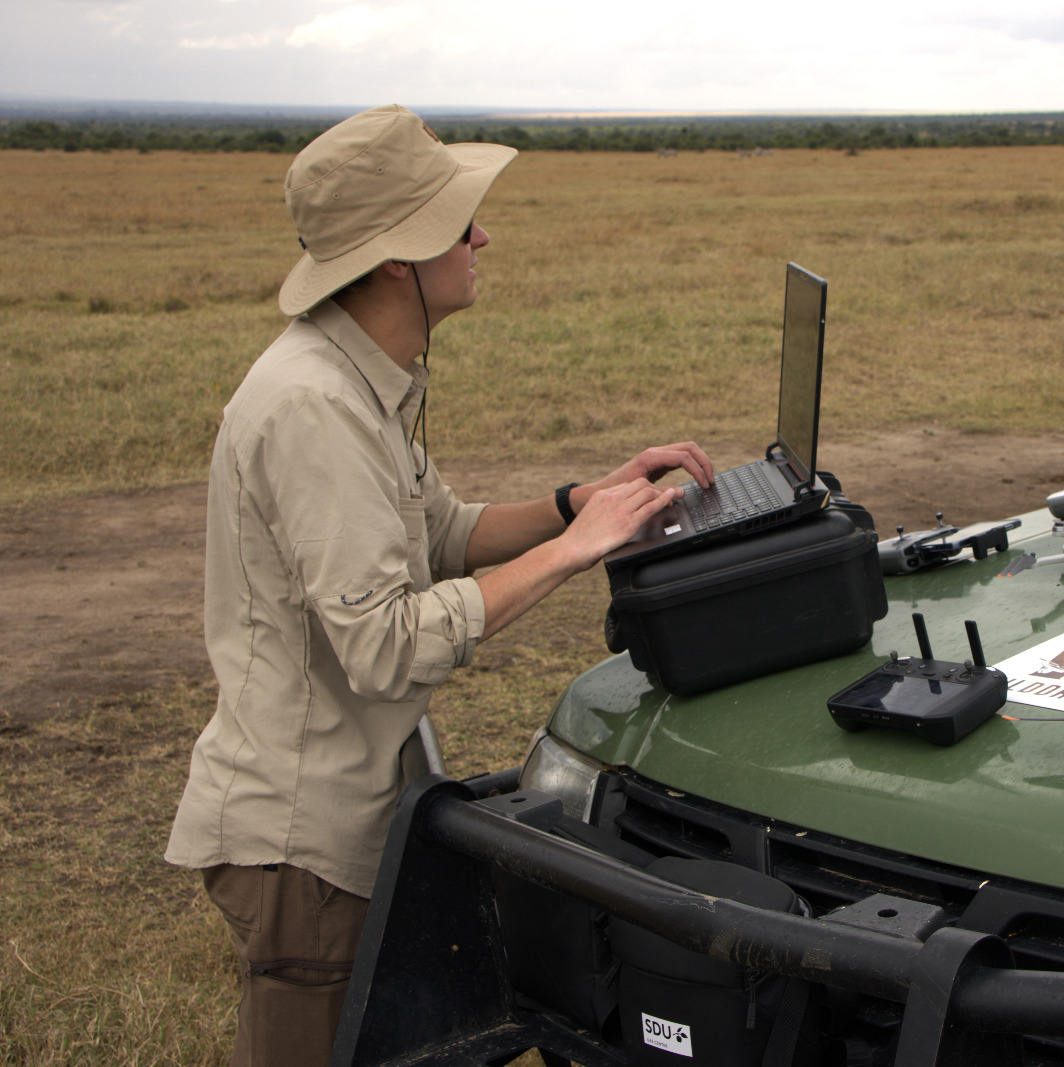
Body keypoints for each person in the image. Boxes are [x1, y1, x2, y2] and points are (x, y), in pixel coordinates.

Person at [164, 104, 713, 1067]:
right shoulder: (313, 407)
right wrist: (572, 552)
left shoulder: (358, 378)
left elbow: (443, 532)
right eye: (459, 223)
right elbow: (384, 645)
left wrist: (580, 501)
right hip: (305, 842)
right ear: (395, 259)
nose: (482, 237)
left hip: (345, 816)